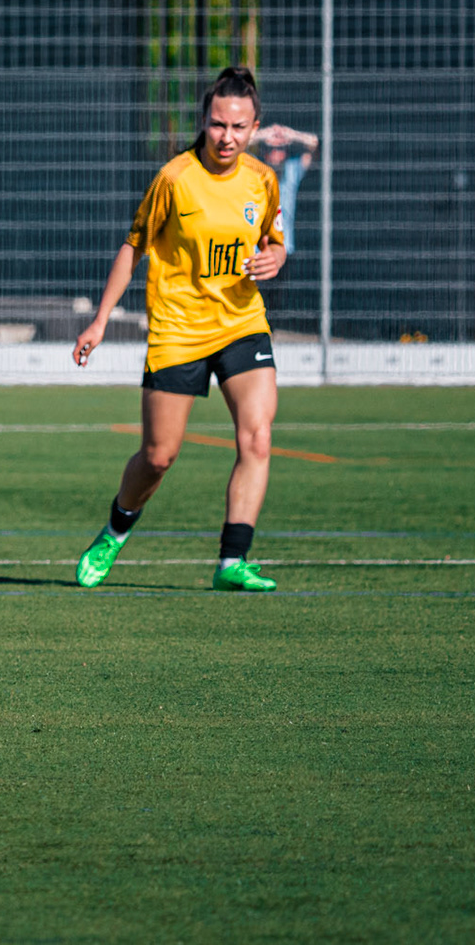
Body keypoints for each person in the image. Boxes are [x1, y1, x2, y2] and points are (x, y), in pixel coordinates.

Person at [71, 66, 287, 593]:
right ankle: (115, 530)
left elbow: (273, 238)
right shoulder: (175, 178)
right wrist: (100, 321)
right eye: (218, 124)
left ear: (255, 127)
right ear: (204, 121)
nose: (227, 137)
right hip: (178, 330)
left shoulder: (262, 179)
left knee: (257, 437)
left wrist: (276, 257)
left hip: (241, 323)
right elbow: (133, 247)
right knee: (158, 456)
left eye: (238, 127)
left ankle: (232, 560)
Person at [252, 123, 317, 255]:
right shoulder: (254, 168)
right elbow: (237, 147)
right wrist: (264, 135)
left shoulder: (292, 169)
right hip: (256, 250)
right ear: (263, 151)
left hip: (284, 248)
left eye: (280, 149)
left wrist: (291, 135)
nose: (275, 154)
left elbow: (314, 144)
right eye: (270, 149)